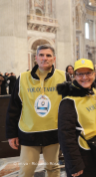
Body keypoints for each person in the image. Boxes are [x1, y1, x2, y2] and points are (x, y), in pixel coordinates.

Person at [6, 44, 70, 177]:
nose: (44, 58)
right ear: (36, 58)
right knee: (26, 171)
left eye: (48, 55)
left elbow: (70, 107)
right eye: (41, 55)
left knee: (53, 169)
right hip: (29, 134)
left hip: (53, 133)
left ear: (54, 58)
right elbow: (14, 108)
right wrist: (11, 134)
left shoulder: (63, 77)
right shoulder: (23, 78)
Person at [57, 59, 96, 177]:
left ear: (94, 74)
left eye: (88, 73)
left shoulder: (94, 91)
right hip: (82, 156)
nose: (84, 77)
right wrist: (75, 164)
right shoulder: (68, 101)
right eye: (80, 74)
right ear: (74, 76)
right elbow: (66, 137)